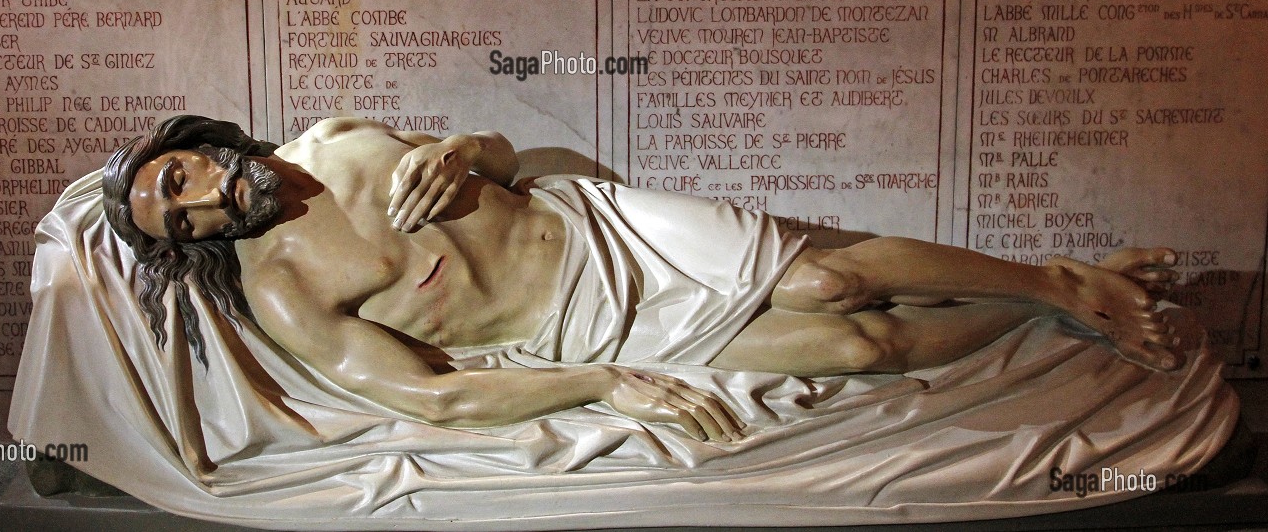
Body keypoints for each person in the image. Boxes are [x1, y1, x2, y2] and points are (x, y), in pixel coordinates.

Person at [102, 115, 1182, 443]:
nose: (203, 202)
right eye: (181, 219)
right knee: (863, 350)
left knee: (831, 287)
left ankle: (1050, 284)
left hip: (604, 227)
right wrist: (598, 382)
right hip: (576, 322)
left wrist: (459, 155)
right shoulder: (286, 291)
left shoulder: (336, 137)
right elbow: (431, 392)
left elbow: (503, 154)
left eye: (183, 178)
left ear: (198, 141)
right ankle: (1051, 329)